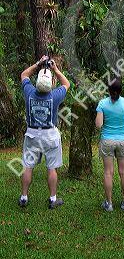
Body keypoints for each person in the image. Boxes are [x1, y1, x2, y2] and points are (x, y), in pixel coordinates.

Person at [19, 55, 70, 209]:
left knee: (28, 166)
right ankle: (53, 199)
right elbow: (66, 83)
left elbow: (24, 75)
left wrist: (38, 64)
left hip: (32, 135)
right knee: (51, 167)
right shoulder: (54, 96)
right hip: (50, 135)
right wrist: (55, 69)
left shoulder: (29, 93)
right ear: (50, 84)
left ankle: (24, 197)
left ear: (37, 82)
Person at [96, 78, 124, 211]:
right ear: (120, 91)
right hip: (122, 140)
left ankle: (109, 204)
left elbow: (99, 125)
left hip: (107, 140)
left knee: (108, 173)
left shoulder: (102, 103)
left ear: (108, 90)